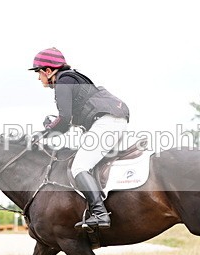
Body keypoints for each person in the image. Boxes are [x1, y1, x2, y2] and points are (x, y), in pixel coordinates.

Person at [29, 47, 130, 231]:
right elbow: (65, 122)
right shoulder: (71, 78)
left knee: (79, 167)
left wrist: (44, 133)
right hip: (112, 120)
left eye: (39, 72)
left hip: (107, 122)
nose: (38, 78)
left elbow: (64, 120)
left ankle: (100, 213)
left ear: (48, 71)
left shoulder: (63, 82)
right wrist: (51, 128)